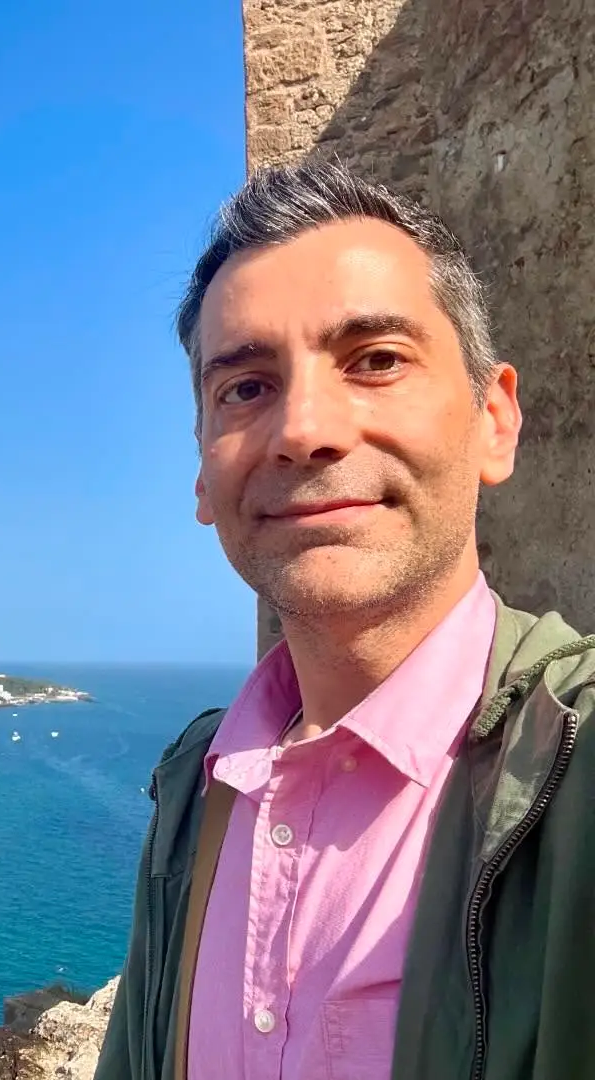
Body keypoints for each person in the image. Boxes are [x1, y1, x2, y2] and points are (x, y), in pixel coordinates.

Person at [94, 158, 595, 1080]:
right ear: (204, 474)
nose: (303, 429)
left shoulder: (576, 762)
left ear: (494, 420)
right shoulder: (194, 792)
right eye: (244, 387)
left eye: (375, 362)